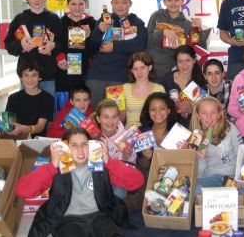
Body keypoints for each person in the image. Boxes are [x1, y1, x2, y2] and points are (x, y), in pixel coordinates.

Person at [15, 127, 144, 237]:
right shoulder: (58, 168)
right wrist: (51, 167)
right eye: (74, 146)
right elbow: (22, 190)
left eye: (84, 144)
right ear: (65, 147)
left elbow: (138, 181)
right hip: (67, 218)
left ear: (91, 145)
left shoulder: (98, 165)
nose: (80, 150)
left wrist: (109, 162)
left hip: (99, 214)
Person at [86, 0, 147, 108]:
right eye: (116, 2)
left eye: (124, 2)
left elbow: (140, 44)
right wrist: (98, 31)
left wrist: (114, 46)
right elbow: (91, 48)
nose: (120, 6)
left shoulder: (137, 22)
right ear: (112, 3)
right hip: (96, 75)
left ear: (130, 3)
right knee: (93, 113)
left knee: (116, 114)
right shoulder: (104, 20)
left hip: (119, 75)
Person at [5, 0, 62, 97]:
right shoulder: (19, 19)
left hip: (48, 74)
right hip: (27, 74)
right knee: (26, 109)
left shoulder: (54, 18)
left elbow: (62, 43)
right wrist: (21, 45)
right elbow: (8, 45)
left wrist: (54, 46)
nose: (37, 0)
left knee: (47, 109)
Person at [147, 0, 207, 79]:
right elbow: (147, 40)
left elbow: (201, 48)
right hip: (152, 70)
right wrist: (163, 32)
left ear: (182, 1)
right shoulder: (156, 16)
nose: (173, 3)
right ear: (164, 2)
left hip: (174, 72)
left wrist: (198, 29)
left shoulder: (187, 24)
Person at [55, 0, 96, 112]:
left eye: (81, 4)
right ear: (67, 5)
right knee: (64, 114)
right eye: (73, 4)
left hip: (85, 76)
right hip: (64, 74)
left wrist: (90, 36)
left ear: (85, 5)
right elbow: (55, 46)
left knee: (83, 113)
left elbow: (96, 50)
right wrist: (59, 60)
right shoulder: (60, 23)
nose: (77, 7)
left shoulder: (93, 23)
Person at [192, 97, 243, 194]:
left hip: (231, 176)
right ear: (198, 115)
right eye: (204, 113)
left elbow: (241, 155)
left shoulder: (230, 128)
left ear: (219, 114)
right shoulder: (196, 136)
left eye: (213, 113)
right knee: (195, 190)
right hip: (210, 177)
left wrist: (238, 178)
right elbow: (199, 174)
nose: (209, 117)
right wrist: (202, 157)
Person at [5, 57, 54, 138]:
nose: (30, 79)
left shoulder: (48, 99)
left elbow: (40, 126)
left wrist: (24, 129)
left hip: (37, 141)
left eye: (34, 75)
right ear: (21, 77)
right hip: (16, 139)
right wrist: (0, 126)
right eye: (26, 75)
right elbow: (7, 124)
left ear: (40, 77)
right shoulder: (13, 98)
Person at [159, 45, 206, 127]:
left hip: (194, 126)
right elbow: (159, 107)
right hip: (169, 126)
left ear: (194, 60)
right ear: (176, 63)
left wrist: (191, 110)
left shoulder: (200, 81)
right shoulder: (166, 80)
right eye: (180, 61)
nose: (184, 65)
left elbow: (203, 110)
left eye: (188, 60)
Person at [121, 52, 165, 129]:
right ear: (131, 70)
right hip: (129, 134)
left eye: (142, 67)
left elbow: (163, 115)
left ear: (150, 67)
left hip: (151, 133)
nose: (139, 72)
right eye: (135, 69)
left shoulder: (159, 89)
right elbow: (121, 117)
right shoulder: (124, 88)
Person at [137, 92, 177, 173]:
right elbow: (141, 166)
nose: (157, 113)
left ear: (168, 110)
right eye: (153, 109)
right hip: (148, 177)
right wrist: (146, 158)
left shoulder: (177, 132)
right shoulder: (141, 132)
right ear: (148, 111)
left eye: (162, 108)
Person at [90, 99, 135, 164]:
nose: (110, 121)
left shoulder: (127, 136)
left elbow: (133, 166)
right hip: (100, 173)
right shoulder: (92, 136)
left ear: (119, 118)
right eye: (106, 117)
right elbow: (93, 166)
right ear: (98, 119)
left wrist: (126, 157)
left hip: (119, 172)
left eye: (114, 116)